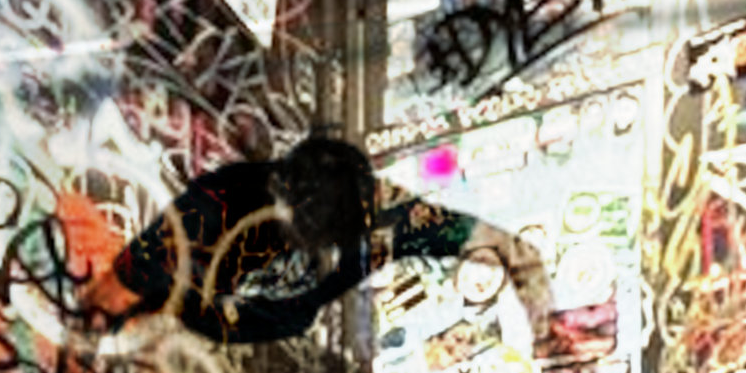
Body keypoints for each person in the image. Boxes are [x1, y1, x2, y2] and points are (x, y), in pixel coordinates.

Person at [79, 134, 552, 348]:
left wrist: (545, 324)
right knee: (146, 291)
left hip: (257, 314)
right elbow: (123, 281)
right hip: (204, 292)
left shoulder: (390, 218)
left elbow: (510, 249)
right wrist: (103, 312)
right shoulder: (218, 201)